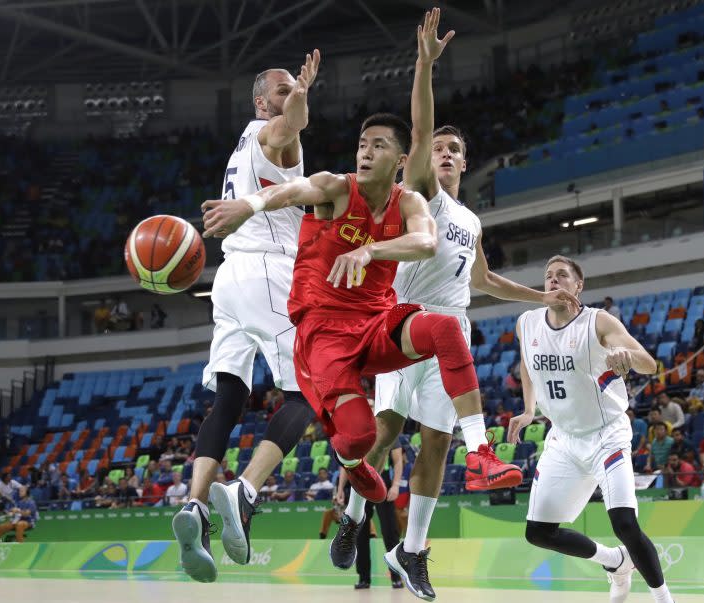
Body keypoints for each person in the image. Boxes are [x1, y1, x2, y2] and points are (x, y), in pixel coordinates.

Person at [202, 110, 531, 577]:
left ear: (399, 159)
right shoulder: (336, 187)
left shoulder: (410, 204)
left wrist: (371, 249)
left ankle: (479, 449)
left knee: (443, 330)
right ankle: (345, 494)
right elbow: (291, 190)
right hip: (323, 334)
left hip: (376, 322)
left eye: (378, 145)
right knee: (362, 440)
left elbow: (424, 242)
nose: (365, 151)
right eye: (362, 143)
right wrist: (249, 206)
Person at [327, 10, 580, 600]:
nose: (442, 152)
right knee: (380, 438)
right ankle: (354, 517)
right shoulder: (424, 197)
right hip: (403, 330)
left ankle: (412, 551)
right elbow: (419, 128)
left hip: (450, 335)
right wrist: (424, 65)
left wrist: (542, 295)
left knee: (437, 444)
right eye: (437, 147)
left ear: (465, 161)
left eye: (452, 150)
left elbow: (485, 280)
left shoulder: (470, 219)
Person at [172, 50, 322, 583]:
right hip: (268, 274)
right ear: (262, 101)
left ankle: (194, 506)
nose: (288, 96)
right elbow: (293, 124)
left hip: (229, 280)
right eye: (279, 90)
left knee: (230, 397)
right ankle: (245, 490)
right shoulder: (271, 133)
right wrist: (301, 95)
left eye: (290, 89)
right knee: (310, 392)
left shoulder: (241, 144)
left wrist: (296, 97)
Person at [509, 255, 675, 603]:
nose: (553, 281)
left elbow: (649, 363)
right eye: (548, 276)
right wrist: (528, 409)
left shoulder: (597, 321)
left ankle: (663, 598)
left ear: (578, 286)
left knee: (625, 524)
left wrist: (626, 357)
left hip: (606, 435)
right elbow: (527, 364)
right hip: (564, 438)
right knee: (538, 532)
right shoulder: (527, 322)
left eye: (562, 276)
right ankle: (614, 562)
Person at [353, 438, 404, 591]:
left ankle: (396, 577)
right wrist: (343, 488)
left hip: (384, 481)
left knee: (390, 531)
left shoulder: (390, 432)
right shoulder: (360, 433)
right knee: (360, 532)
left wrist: (395, 485)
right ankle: (363, 578)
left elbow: (398, 461)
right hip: (362, 482)